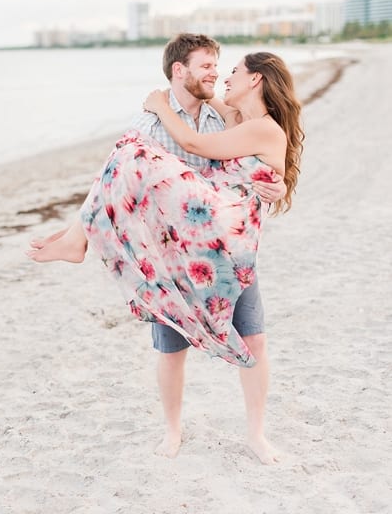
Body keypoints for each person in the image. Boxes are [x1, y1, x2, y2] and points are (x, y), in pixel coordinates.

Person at [28, 34, 303, 464]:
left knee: (255, 340)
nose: (219, 73)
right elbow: (112, 183)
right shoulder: (166, 125)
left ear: (256, 80)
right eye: (209, 66)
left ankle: (257, 435)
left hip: (227, 250)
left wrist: (279, 181)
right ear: (180, 70)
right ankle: (173, 431)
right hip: (173, 255)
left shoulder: (224, 121)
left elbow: (224, 151)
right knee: (171, 348)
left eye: (226, 68)